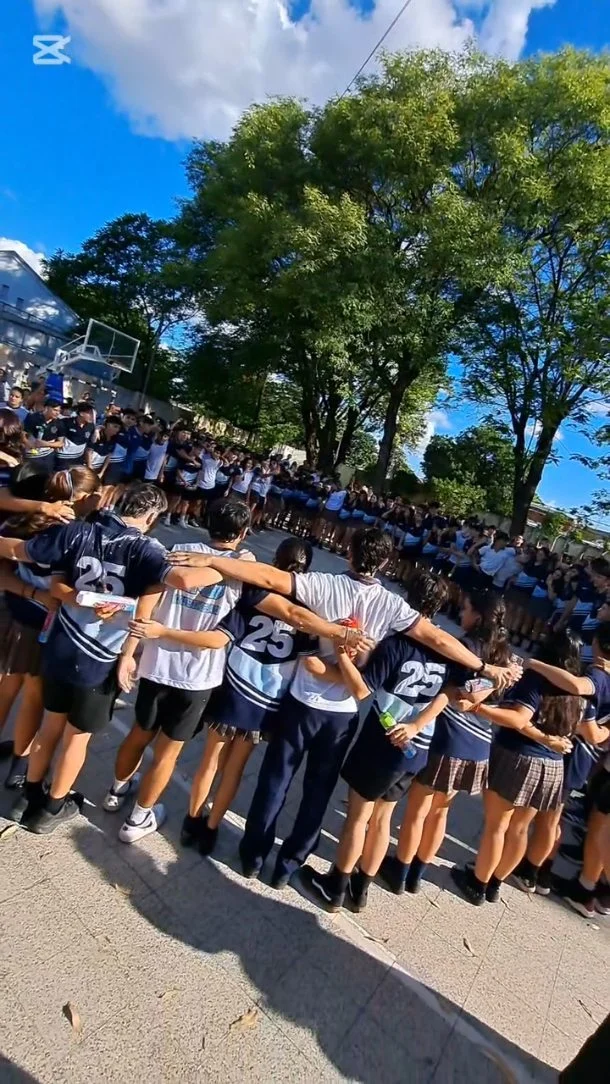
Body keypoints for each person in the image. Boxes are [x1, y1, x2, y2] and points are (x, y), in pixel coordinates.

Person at [170, 528, 521, 886]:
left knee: (275, 780)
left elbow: (267, 576)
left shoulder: (323, 584)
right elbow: (436, 637)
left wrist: (214, 559)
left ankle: (253, 855)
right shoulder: (391, 604)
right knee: (318, 791)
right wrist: (483, 667)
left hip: (302, 701)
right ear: (385, 562)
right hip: (343, 712)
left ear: (349, 552)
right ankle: (289, 864)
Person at [0, 483, 219, 835]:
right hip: (100, 656)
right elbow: (184, 579)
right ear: (150, 517)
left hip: (60, 643)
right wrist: (223, 564)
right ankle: (52, 807)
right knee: (76, 737)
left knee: (50, 723)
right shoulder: (147, 549)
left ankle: (28, 796)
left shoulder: (78, 531)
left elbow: (21, 550)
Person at [303, 569, 459, 912]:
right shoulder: (446, 646)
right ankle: (361, 887)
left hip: (383, 741)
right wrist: (418, 725)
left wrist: (342, 653)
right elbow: (449, 694)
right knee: (382, 818)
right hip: (416, 746)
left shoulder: (399, 643)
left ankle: (336, 885)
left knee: (358, 817)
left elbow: (362, 689)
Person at [451, 631, 588, 906]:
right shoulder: (576, 692)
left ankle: (478, 883)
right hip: (552, 766)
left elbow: (518, 718)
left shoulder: (536, 680)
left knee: (497, 826)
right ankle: (495, 882)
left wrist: (479, 709)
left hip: (518, 758)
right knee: (520, 829)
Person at [0, 466, 102, 798]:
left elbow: (5, 573)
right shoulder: (75, 534)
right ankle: (20, 765)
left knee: (5, 688)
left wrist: (28, 592)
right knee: (33, 698)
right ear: (85, 497)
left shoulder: (21, 522)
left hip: (13, 614)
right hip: (43, 624)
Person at [523, 623, 610, 918]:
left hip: (573, 755)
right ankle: (540, 870)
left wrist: (533, 664)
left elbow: (579, 693)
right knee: (553, 816)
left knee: (547, 818)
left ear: (598, 643)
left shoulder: (598, 676)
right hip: (588, 757)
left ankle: (533, 870)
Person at [23, 396, 64, 474]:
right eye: (55, 410)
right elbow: (22, 434)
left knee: (46, 478)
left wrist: (46, 444)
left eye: (59, 411)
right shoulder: (33, 418)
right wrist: (29, 443)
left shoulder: (59, 423)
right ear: (47, 408)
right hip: (32, 455)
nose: (57, 413)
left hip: (48, 456)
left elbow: (61, 443)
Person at [54, 401, 95, 469]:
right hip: (63, 459)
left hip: (78, 459)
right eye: (89, 413)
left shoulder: (91, 426)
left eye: (93, 413)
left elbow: (89, 448)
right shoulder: (66, 422)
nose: (92, 416)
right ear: (81, 413)